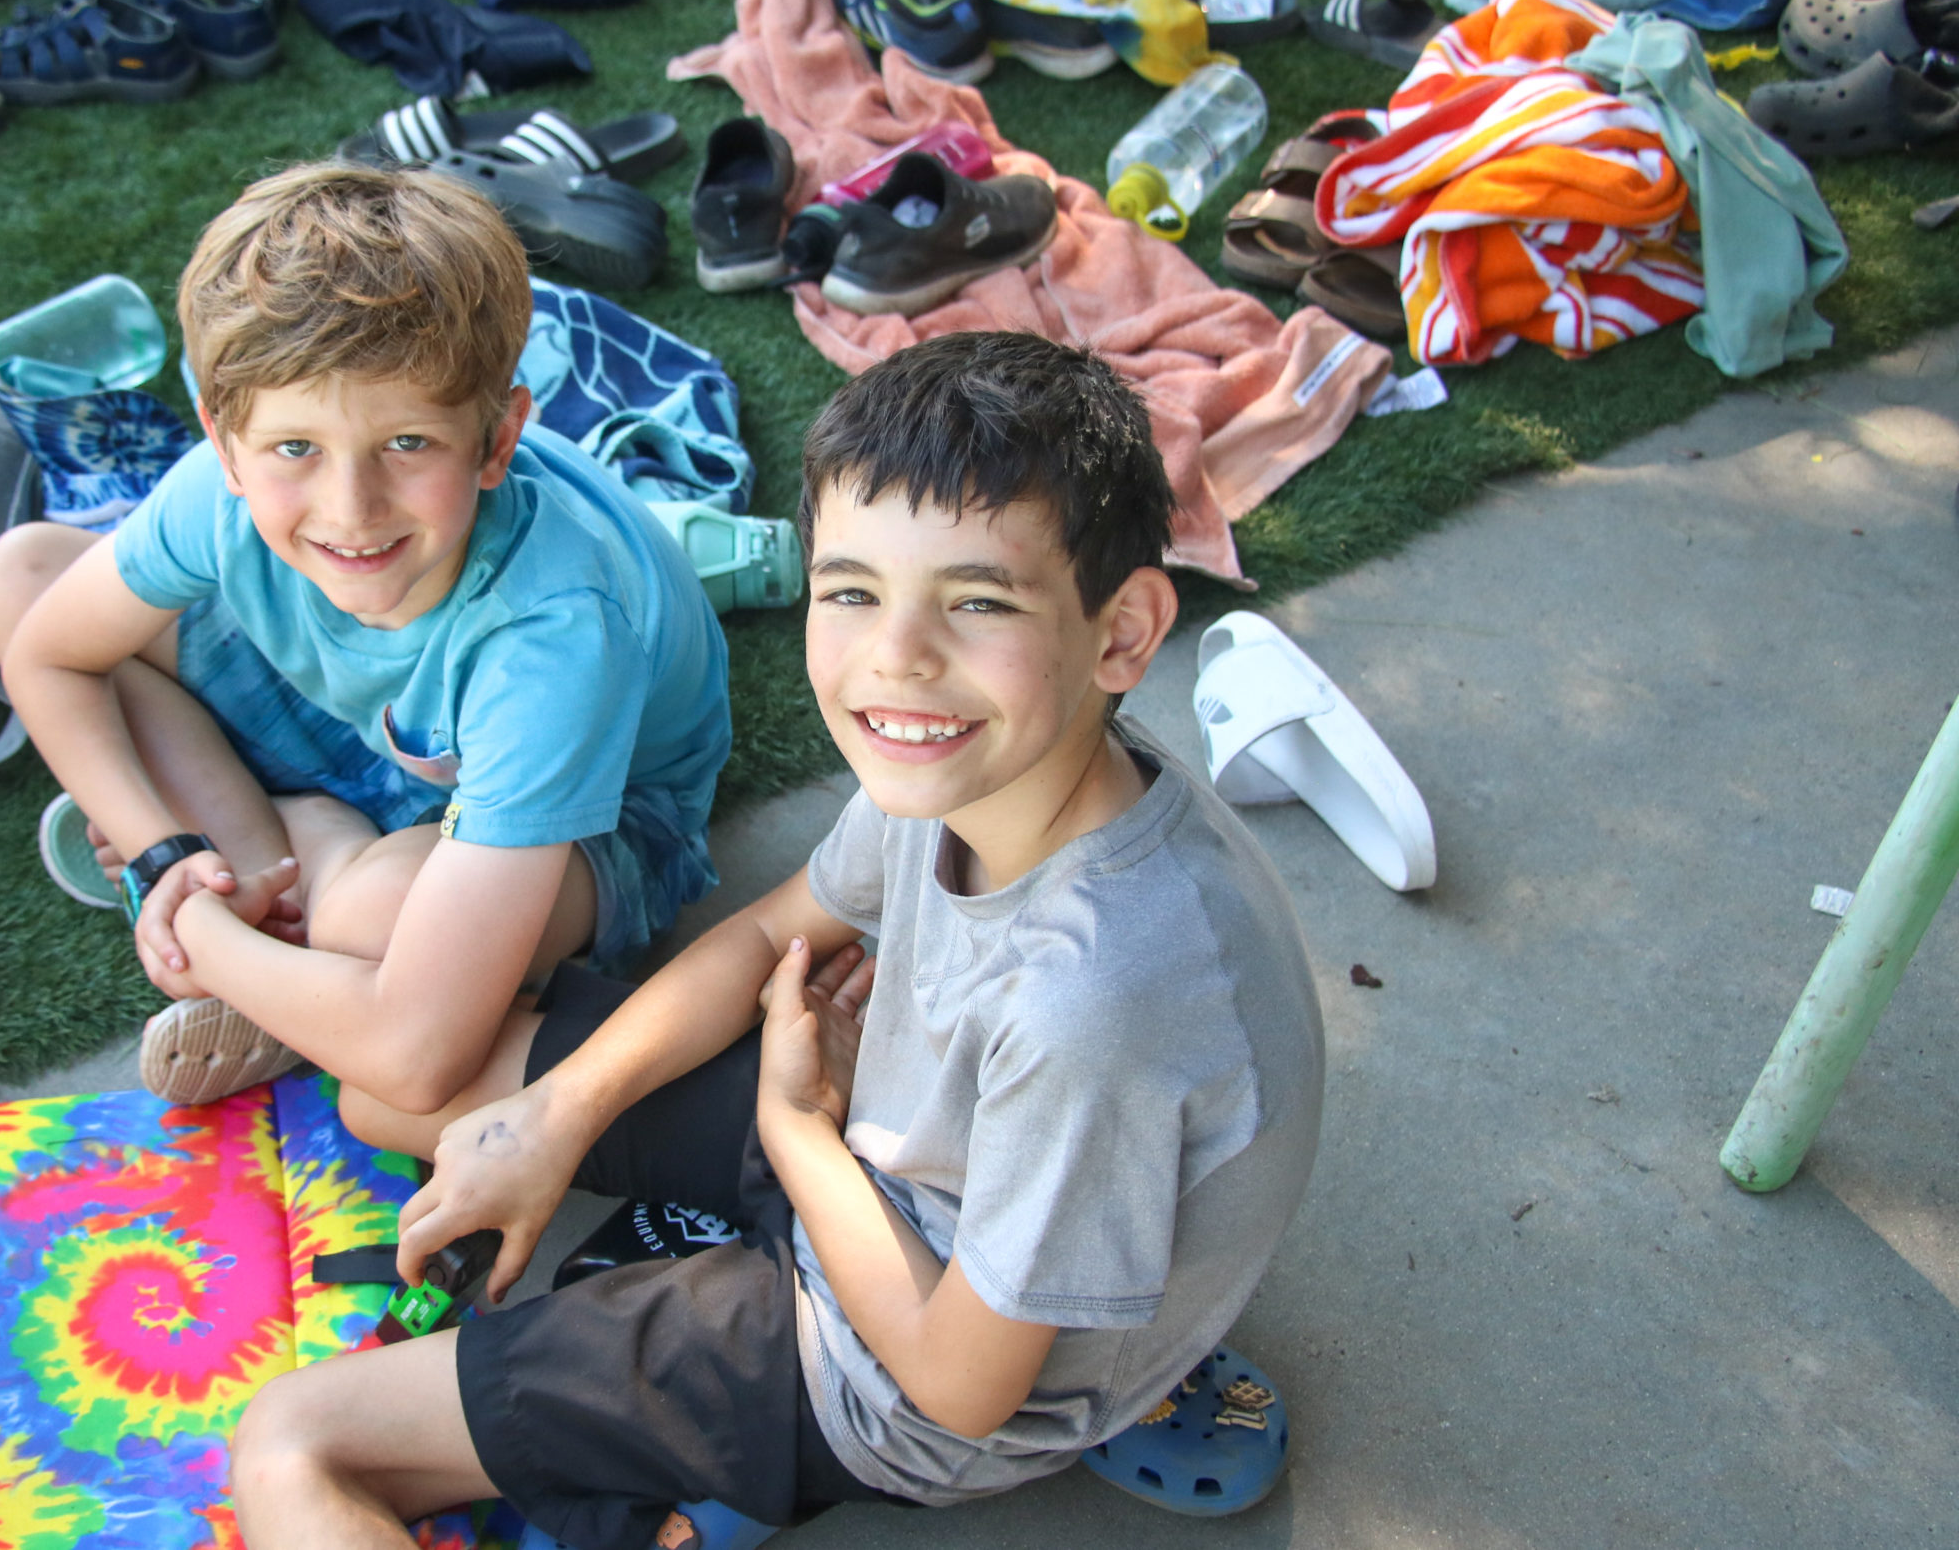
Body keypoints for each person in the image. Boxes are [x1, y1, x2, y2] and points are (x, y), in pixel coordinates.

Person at [220, 329, 1326, 1549]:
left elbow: (960, 1389)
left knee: (292, 1444)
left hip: (894, 1373)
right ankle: (643, 1452)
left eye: (977, 602)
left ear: (1122, 632)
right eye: (852, 591)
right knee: (400, 1098)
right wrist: (556, 1119)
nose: (895, 659)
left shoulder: (1091, 1001)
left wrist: (798, 1134)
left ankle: (686, 1468)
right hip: (878, 1141)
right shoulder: (979, 763)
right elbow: (761, 936)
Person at [0, 163, 731, 1117]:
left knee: (371, 922)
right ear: (224, 443)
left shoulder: (553, 631)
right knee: (21, 575)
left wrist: (193, 930)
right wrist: (160, 850)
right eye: (296, 449)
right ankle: (280, 881)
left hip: (602, 813)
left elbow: (419, 1060)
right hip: (364, 717)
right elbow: (50, 654)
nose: (350, 509)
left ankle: (300, 897)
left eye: (408, 444)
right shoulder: (222, 495)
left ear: (497, 440)